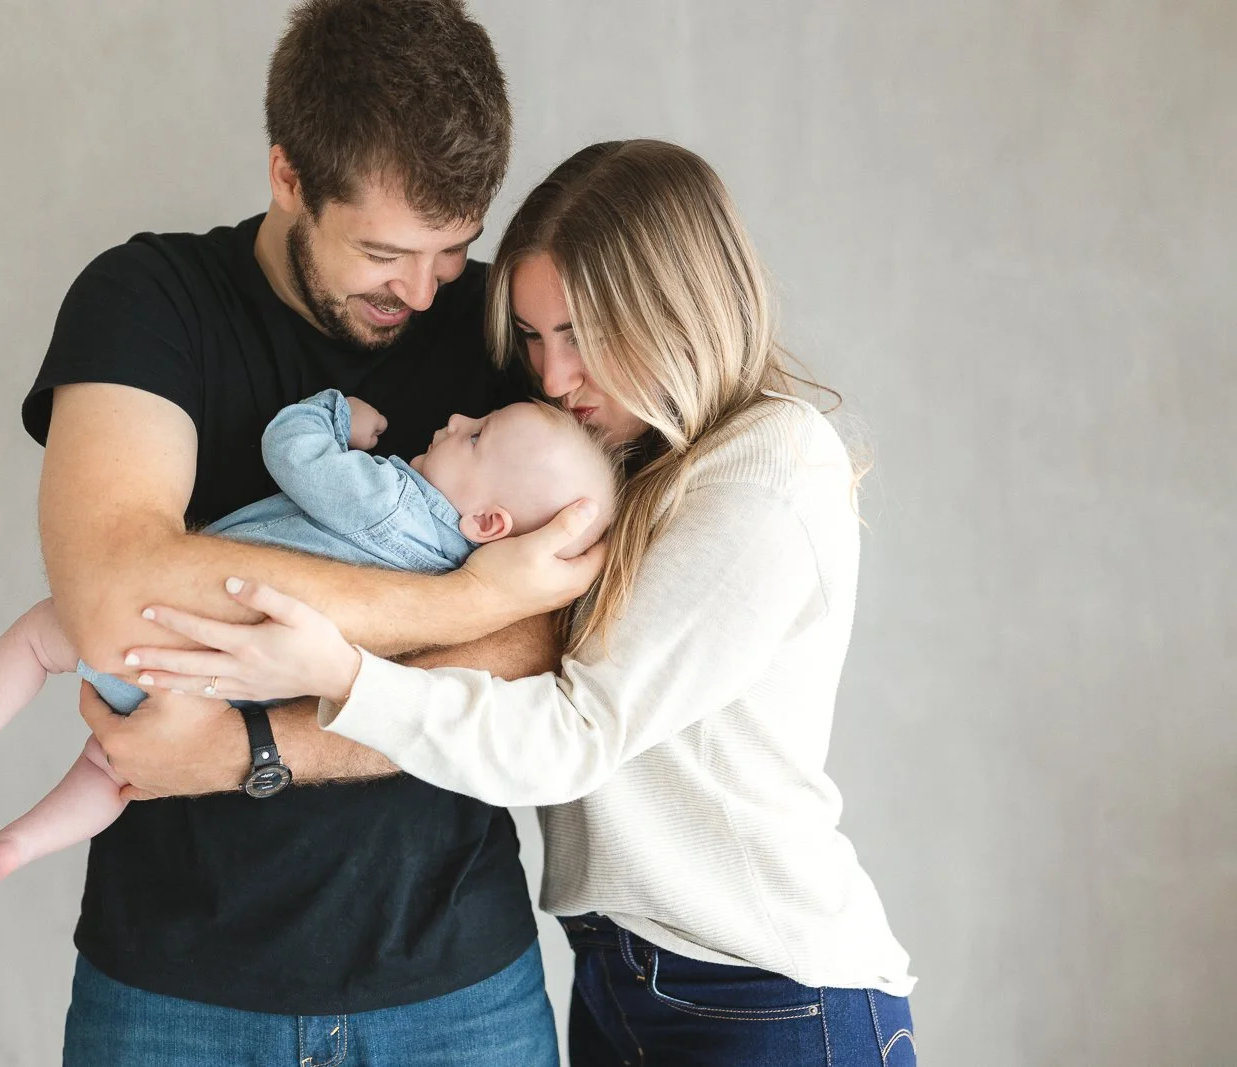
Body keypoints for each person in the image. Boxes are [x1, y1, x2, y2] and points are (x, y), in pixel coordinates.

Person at [117, 140, 920, 1066]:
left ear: (678, 305)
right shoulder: (632, 466)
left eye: (580, 333)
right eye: (536, 339)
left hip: (769, 989)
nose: (550, 377)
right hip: (626, 977)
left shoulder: (769, 467)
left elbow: (574, 735)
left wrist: (341, 677)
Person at [15, 1, 607, 1063]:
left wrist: (252, 747)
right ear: (288, 175)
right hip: (171, 990)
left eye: (452, 249)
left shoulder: (498, 339)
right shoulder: (147, 301)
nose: (423, 291)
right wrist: (462, 602)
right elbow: (112, 598)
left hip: (459, 985)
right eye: (385, 251)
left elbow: (549, 650)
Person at [0, 388, 619, 906]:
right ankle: (14, 845)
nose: (457, 416)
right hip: (216, 696)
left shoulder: (391, 497)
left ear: (490, 520)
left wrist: (338, 414)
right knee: (112, 772)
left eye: (478, 435)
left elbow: (292, 450)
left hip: (163, 624)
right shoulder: (447, 579)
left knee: (39, 634)